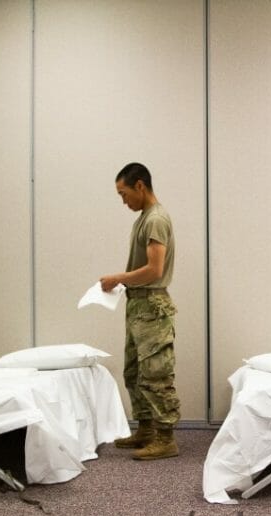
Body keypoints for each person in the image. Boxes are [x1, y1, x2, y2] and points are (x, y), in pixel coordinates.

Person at [100, 162, 180, 460]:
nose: (123, 201)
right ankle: (146, 429)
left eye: (124, 194)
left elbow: (154, 270)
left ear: (140, 186)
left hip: (152, 306)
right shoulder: (144, 218)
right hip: (138, 305)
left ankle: (165, 437)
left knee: (156, 373)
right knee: (135, 372)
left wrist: (118, 278)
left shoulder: (155, 220)